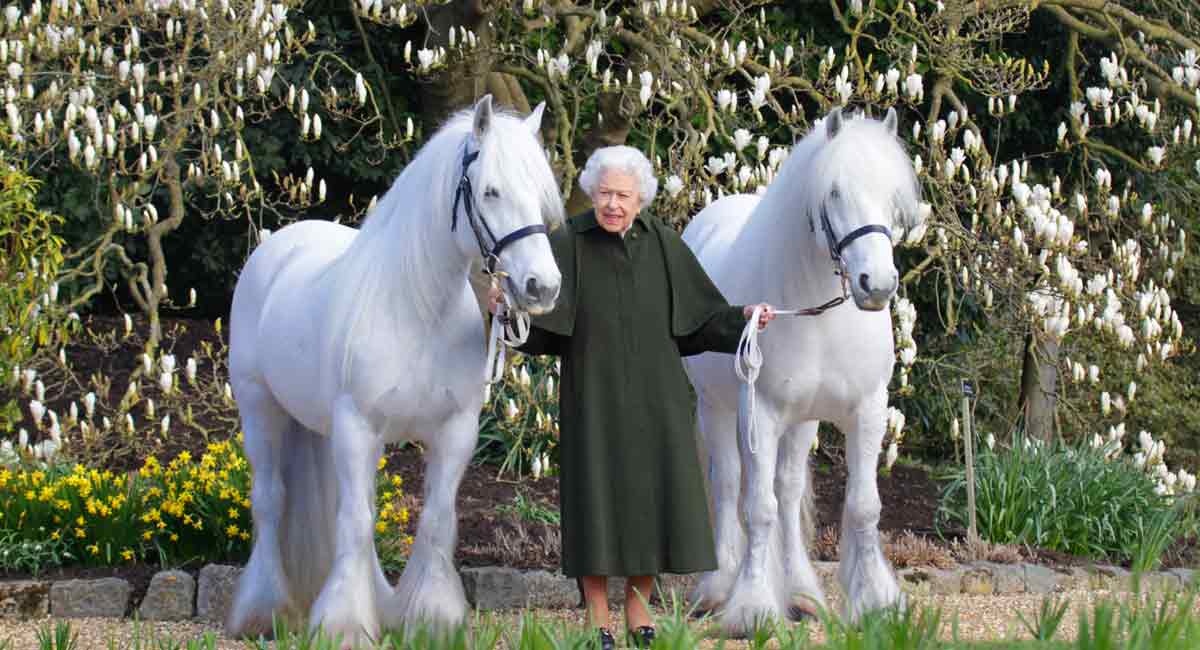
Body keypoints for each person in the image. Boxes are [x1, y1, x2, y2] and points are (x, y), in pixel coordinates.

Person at [490, 145, 775, 649]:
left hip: (657, 397)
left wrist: (745, 317)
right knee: (595, 503)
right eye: (603, 194)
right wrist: (505, 311)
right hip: (592, 397)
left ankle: (639, 613)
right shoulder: (569, 243)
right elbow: (540, 328)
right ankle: (598, 618)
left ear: (641, 197)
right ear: (590, 195)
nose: (612, 204)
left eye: (622, 195)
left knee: (652, 504)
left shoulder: (663, 242)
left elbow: (701, 320)